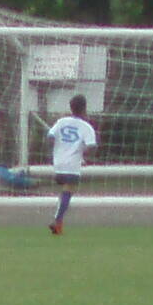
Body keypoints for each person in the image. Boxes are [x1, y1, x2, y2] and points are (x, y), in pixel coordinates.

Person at [46, 94, 96, 235]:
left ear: (71, 107)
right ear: (85, 108)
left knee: (64, 192)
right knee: (68, 191)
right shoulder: (86, 127)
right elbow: (92, 146)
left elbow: (50, 137)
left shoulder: (61, 121)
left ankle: (58, 222)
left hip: (58, 163)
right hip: (72, 164)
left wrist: (58, 149)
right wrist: (83, 154)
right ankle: (57, 221)